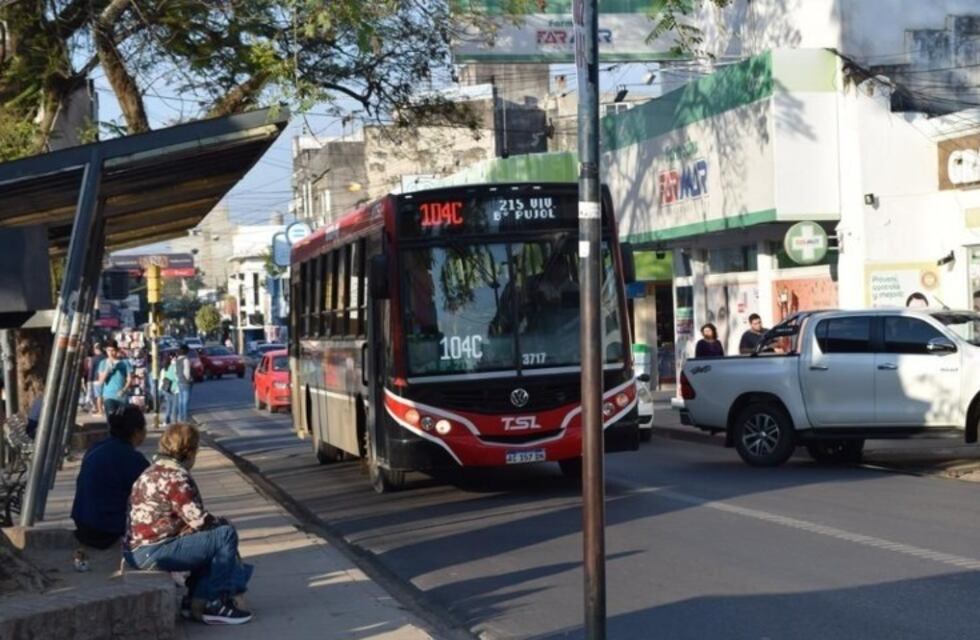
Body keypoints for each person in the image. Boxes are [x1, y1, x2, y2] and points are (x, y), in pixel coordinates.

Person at [125, 423, 253, 625]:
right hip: (154, 551)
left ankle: (194, 601)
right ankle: (214, 602)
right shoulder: (176, 476)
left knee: (208, 540)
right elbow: (199, 520)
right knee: (224, 535)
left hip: (138, 549)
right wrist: (223, 523)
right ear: (189, 451)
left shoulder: (152, 470)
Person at [71, 405, 149, 549]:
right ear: (137, 432)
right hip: (106, 528)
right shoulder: (133, 459)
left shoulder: (96, 447)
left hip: (82, 521)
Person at [99, 340, 132, 415]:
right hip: (108, 396)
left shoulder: (125, 363)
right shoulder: (103, 363)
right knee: (111, 417)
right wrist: (107, 369)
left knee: (122, 421)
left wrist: (124, 390)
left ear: (116, 351)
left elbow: (129, 379)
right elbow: (101, 381)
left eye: (112, 350)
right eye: (108, 350)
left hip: (121, 396)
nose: (110, 353)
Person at [172, 345, 194, 423]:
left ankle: (180, 417)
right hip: (185, 382)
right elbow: (187, 372)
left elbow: (175, 371)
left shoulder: (177, 359)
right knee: (185, 401)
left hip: (179, 381)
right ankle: (184, 418)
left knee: (181, 400)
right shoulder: (186, 359)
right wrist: (189, 379)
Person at [159, 355, 178, 426]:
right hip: (172, 388)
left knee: (168, 405)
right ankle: (174, 421)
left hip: (165, 389)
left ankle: (167, 420)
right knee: (174, 405)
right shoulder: (172, 368)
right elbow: (175, 378)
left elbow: (161, 380)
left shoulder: (163, 369)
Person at [89, 343, 106, 415]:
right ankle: (104, 408)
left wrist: (89, 380)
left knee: (98, 396)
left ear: (96, 349)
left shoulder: (94, 359)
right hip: (105, 378)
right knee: (104, 395)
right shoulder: (106, 358)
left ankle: (100, 411)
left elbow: (91, 370)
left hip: (96, 379)